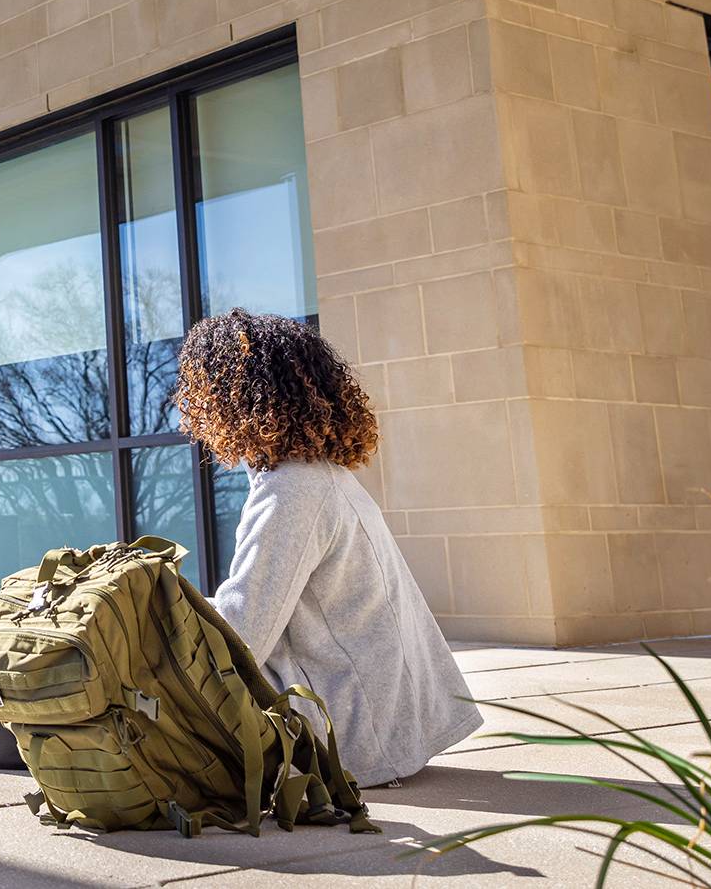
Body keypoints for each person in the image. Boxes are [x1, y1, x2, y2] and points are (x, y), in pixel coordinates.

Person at [176, 308, 483, 788]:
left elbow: (242, 635)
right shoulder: (320, 475)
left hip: (352, 731)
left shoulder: (293, 490)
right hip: (371, 707)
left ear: (229, 397)